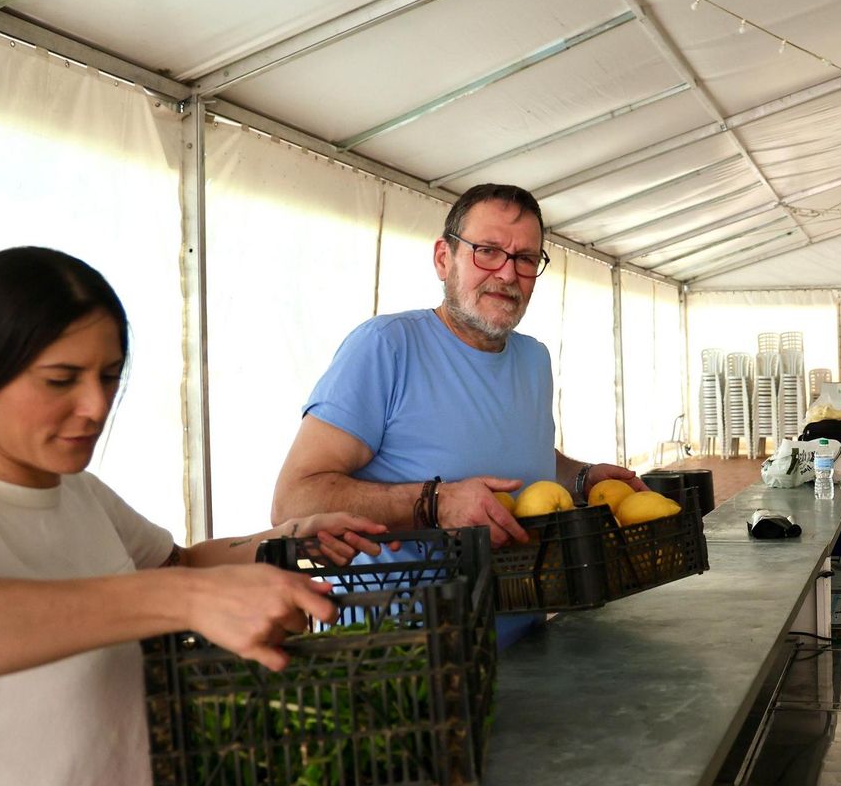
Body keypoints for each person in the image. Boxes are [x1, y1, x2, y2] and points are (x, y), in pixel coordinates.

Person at [0, 247, 394, 786]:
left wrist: (287, 538)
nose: (96, 406)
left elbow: (180, 563)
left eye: (110, 375)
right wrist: (182, 600)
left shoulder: (78, 491)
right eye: (61, 379)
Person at [273, 184, 647, 642]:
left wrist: (581, 476)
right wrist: (436, 502)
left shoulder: (534, 359)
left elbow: (519, 455)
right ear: (443, 259)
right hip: (400, 653)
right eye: (487, 251)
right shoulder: (386, 346)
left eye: (525, 258)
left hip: (523, 641)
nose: (507, 273)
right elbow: (294, 499)